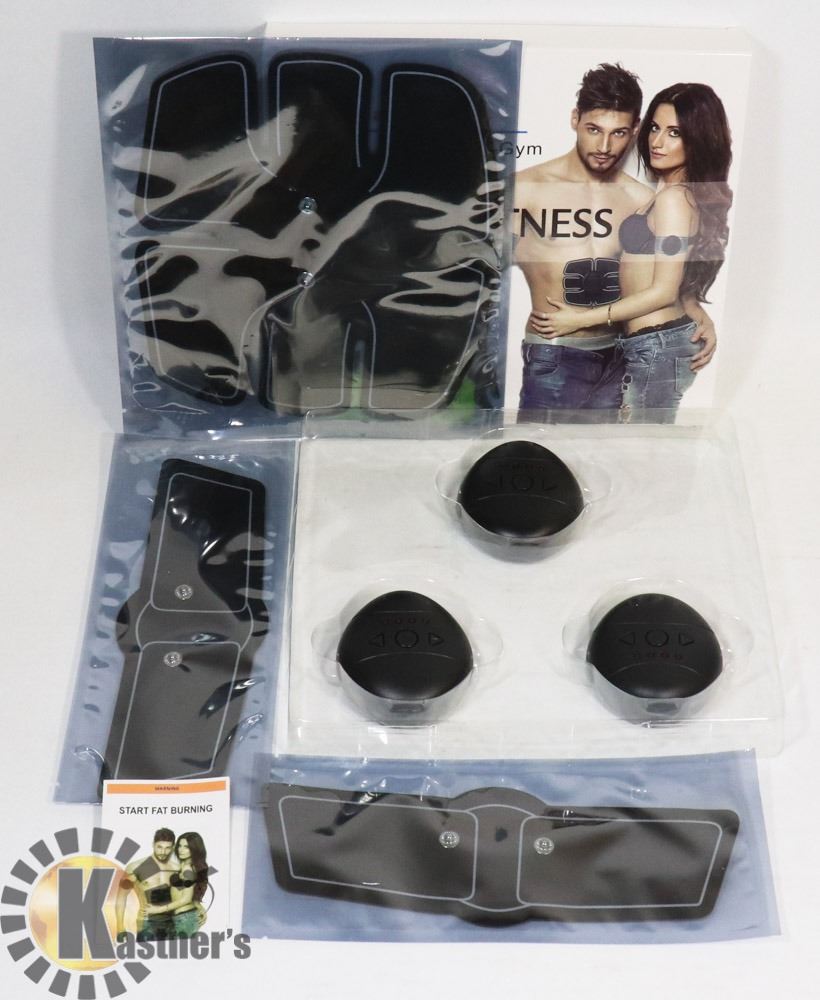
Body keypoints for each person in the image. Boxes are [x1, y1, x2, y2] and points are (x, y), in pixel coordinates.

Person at [515, 64, 715, 415]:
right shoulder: (525, 189)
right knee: (540, 446)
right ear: (575, 119)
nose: (605, 146)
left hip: (623, 353)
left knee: (616, 448)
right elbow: (474, 272)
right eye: (594, 129)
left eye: (619, 133)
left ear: (635, 129)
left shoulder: (643, 199)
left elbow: (659, 275)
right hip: (555, 350)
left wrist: (696, 311)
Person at [115, 828, 179, 942]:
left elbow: (184, 896)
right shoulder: (135, 867)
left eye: (167, 848)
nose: (163, 852)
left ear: (173, 847)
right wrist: (120, 927)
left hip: (173, 923)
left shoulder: (177, 869)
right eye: (159, 847)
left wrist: (199, 908)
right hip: (147, 923)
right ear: (153, 844)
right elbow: (121, 897)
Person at [141, 832, 209, 938]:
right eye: (179, 846)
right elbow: (188, 892)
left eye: (186, 847)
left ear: (195, 849)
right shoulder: (185, 865)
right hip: (183, 917)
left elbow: (186, 899)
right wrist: (198, 905)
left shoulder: (187, 870)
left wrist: (157, 910)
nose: (181, 850)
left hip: (185, 918)